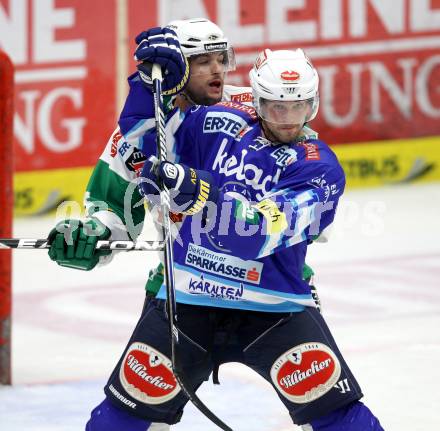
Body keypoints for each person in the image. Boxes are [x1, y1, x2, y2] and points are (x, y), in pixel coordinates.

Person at [47, 25, 384, 430]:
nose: (217, 71)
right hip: (186, 292)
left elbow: (275, 210)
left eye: (220, 58)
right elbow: (117, 211)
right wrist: (90, 237)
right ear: (174, 71)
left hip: (272, 297)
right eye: (200, 61)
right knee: (119, 420)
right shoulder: (146, 133)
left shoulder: (254, 106)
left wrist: (199, 189)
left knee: (339, 417)